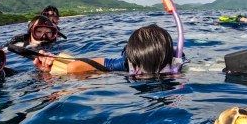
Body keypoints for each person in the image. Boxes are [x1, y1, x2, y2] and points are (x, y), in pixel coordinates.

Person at [34, 24, 183, 76]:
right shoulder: (125, 64)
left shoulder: (178, 63)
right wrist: (50, 69)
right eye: (140, 69)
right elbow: (75, 66)